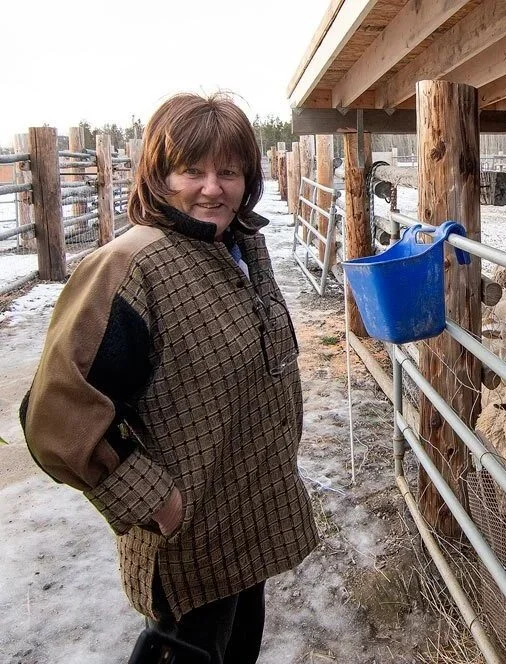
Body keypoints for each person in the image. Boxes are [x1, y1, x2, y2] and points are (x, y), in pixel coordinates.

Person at [19, 92, 319, 663]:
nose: (213, 188)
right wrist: (153, 499)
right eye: (192, 170)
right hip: (190, 544)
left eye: (228, 171)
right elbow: (55, 421)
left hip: (246, 522)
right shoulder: (131, 267)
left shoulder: (238, 249)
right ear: (158, 177)